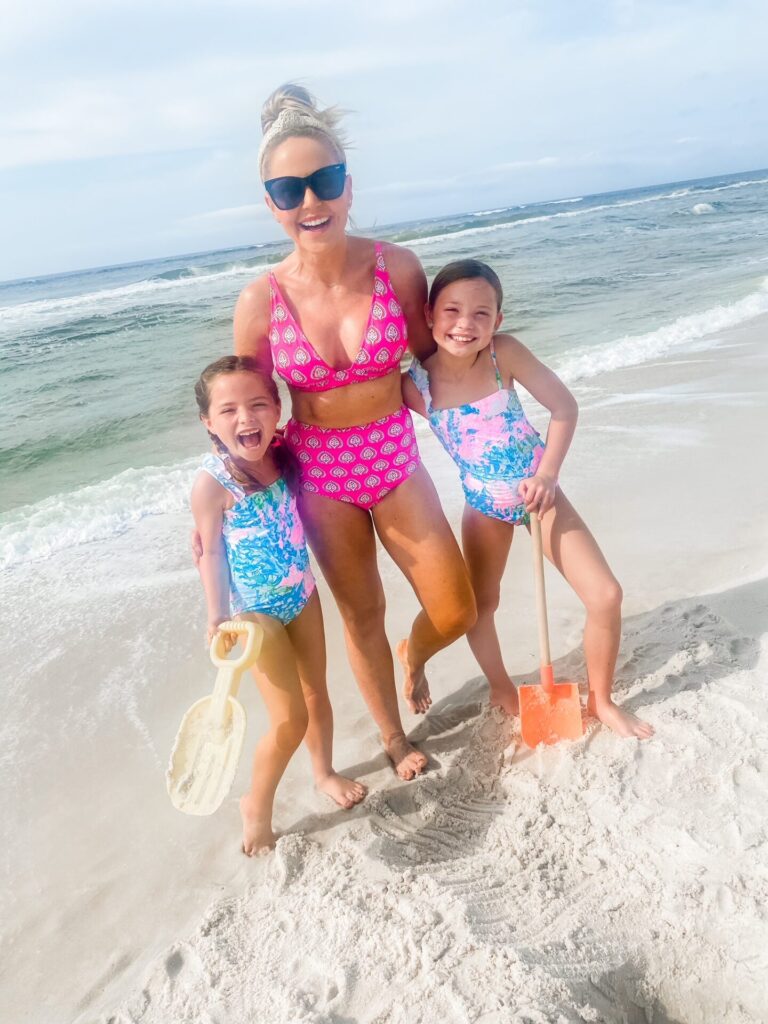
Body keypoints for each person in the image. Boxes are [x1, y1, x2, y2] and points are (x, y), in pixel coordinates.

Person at [231, 84, 476, 779]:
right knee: (361, 614)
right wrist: (228, 501)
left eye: (325, 181)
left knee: (453, 608)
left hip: (394, 458)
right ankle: (395, 740)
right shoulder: (261, 300)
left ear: (348, 186)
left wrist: (496, 403)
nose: (311, 201)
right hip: (320, 477)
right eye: (288, 189)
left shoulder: (396, 267)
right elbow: (249, 412)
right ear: (272, 205)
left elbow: (437, 360)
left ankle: (417, 654)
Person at [403, 259, 654, 740]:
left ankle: (601, 700)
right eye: (452, 310)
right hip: (483, 505)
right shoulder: (414, 386)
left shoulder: (504, 355)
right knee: (481, 605)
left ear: (497, 321)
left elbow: (564, 407)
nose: (466, 324)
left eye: (482, 313)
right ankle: (500, 687)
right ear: (430, 315)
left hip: (540, 496)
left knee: (605, 595)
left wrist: (547, 475)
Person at [191, 355, 367, 855]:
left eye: (258, 405)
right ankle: (257, 804)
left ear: (276, 409)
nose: (246, 419)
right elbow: (211, 554)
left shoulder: (283, 452)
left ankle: (324, 772)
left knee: (317, 694)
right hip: (255, 616)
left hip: (302, 593)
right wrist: (216, 616)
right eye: (228, 411)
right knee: (288, 718)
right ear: (208, 422)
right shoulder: (212, 483)